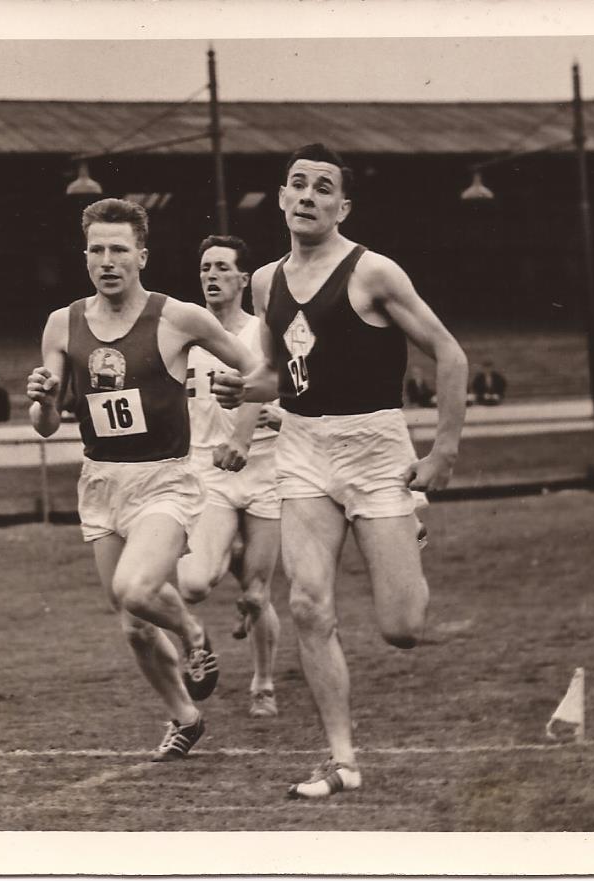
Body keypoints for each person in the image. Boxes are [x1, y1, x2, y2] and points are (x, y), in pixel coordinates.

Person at [212, 143, 468, 798]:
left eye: (323, 188)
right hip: (301, 447)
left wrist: (441, 452)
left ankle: (409, 524)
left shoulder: (372, 272)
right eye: (297, 184)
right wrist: (242, 390)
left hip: (376, 447)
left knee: (402, 628)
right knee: (305, 601)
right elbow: (276, 372)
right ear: (280, 196)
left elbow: (450, 354)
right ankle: (342, 759)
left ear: (342, 205)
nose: (307, 196)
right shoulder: (266, 280)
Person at [27, 198, 256, 762]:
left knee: (137, 589)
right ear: (85, 257)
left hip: (165, 481)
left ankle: (195, 636)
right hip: (101, 482)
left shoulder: (178, 317)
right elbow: (47, 423)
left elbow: (256, 368)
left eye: (119, 250)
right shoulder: (64, 323)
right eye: (97, 250)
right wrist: (41, 401)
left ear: (142, 255)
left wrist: (246, 403)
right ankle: (184, 715)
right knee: (131, 626)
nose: (107, 261)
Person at [177, 234, 284, 719]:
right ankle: (221, 565)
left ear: (244, 278)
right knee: (195, 582)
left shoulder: (264, 335)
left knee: (257, 594)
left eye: (222, 267)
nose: (211, 276)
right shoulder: (186, 337)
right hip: (209, 472)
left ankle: (263, 682)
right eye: (205, 268)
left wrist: (272, 417)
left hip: (266, 472)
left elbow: (298, 404)